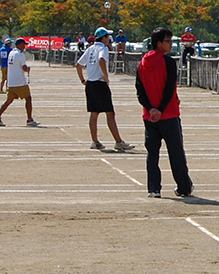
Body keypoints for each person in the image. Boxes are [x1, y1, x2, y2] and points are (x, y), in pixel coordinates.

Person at [135, 28, 193, 198]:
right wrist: (160, 109)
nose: (171, 44)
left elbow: (139, 91)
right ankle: (183, 186)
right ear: (159, 43)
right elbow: (169, 88)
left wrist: (151, 108)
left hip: (149, 116)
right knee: (175, 152)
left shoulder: (142, 63)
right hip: (168, 114)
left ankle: (154, 188)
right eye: (168, 41)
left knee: (152, 153)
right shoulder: (167, 62)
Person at [76, 27, 133, 151]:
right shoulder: (103, 49)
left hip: (90, 84)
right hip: (100, 84)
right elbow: (101, 60)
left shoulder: (90, 48)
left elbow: (78, 64)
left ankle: (95, 141)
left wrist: (82, 80)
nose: (109, 39)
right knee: (110, 113)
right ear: (103, 38)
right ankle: (118, 141)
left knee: (94, 113)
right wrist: (106, 77)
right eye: (107, 37)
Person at [0, 38, 38, 127]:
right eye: (23, 44)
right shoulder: (20, 54)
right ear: (19, 45)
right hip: (20, 82)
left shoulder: (12, 53)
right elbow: (24, 67)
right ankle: (29, 119)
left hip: (11, 82)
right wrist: (28, 69)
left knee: (8, 101)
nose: (24, 46)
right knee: (28, 98)